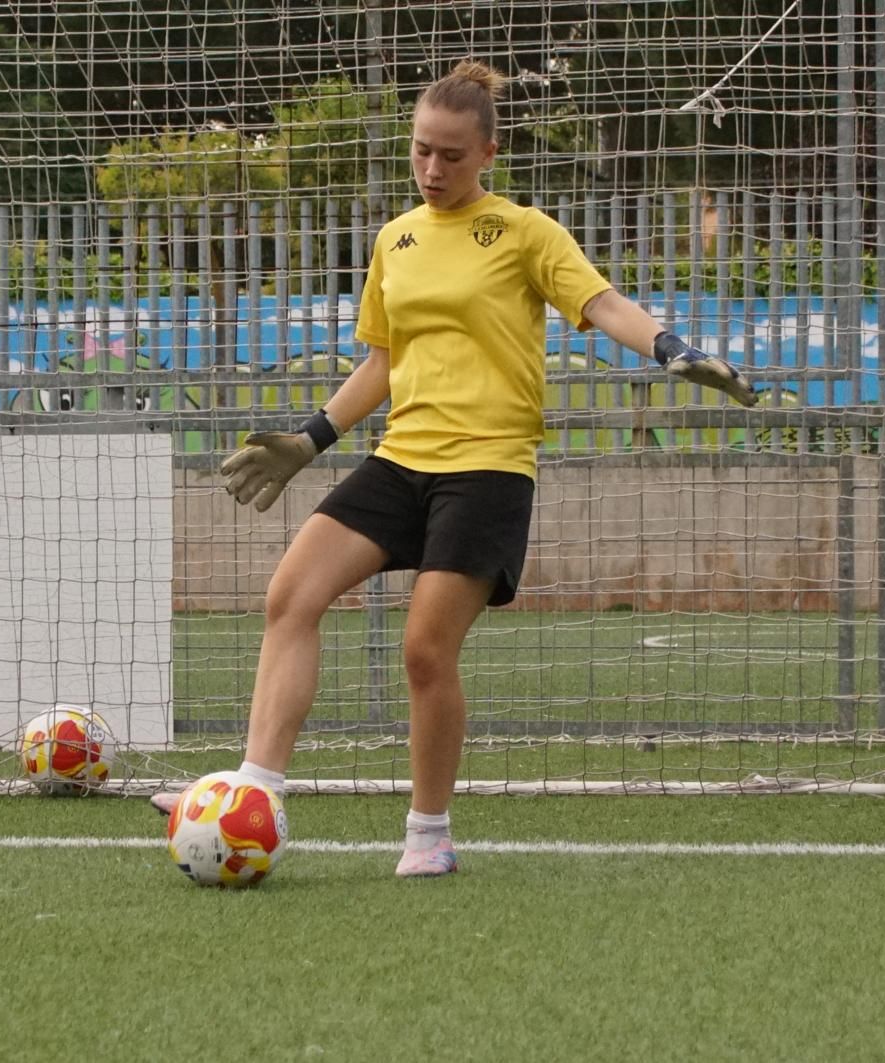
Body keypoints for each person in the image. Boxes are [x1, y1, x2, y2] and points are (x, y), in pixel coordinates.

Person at [155, 59, 756, 877]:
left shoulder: (525, 233)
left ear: (488, 154)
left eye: (450, 155)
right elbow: (383, 362)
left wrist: (673, 349)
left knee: (424, 651)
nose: (432, 170)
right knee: (289, 594)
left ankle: (428, 832)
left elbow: (602, 303)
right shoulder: (395, 240)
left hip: (488, 469)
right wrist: (310, 439)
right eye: (420, 152)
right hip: (402, 458)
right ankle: (254, 791)